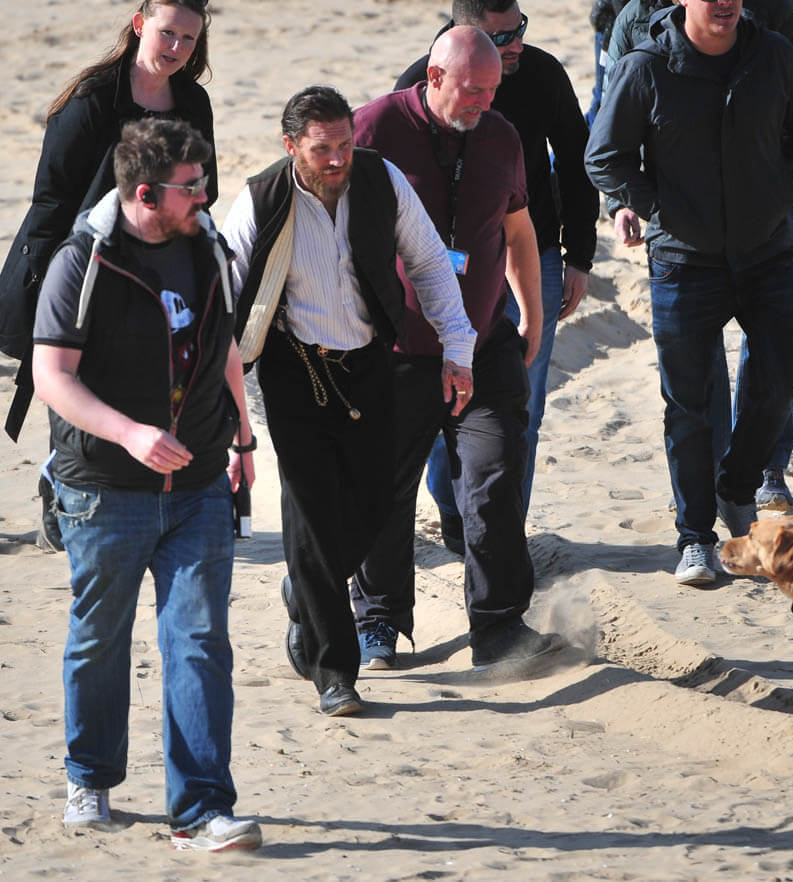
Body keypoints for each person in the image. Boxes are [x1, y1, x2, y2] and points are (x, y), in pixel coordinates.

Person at [31, 118, 259, 851]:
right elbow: (51, 376)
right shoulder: (83, 262)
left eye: (203, 181)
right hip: (104, 490)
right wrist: (129, 432)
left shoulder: (208, 247)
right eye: (191, 187)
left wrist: (242, 437)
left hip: (198, 482)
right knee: (100, 639)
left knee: (199, 641)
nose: (205, 196)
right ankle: (90, 777)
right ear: (145, 194)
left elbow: (223, 346)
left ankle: (201, 810)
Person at [221, 86, 476, 715]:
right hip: (293, 370)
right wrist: (214, 396)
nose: (338, 159)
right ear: (291, 147)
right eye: (322, 149)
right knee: (311, 515)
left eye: (345, 144)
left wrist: (457, 347)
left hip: (368, 364)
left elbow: (429, 264)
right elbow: (221, 293)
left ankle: (307, 589)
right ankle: (335, 672)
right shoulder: (261, 198)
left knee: (376, 503)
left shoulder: (382, 181)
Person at [585, 0, 793, 585]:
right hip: (683, 262)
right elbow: (605, 154)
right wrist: (653, 205)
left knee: (782, 377)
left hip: (766, 253)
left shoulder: (773, 54)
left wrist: (790, 188)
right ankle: (695, 537)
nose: (723, 2)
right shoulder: (646, 65)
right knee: (689, 406)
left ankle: (736, 487)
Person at [351, 26, 561, 671]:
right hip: (397, 350)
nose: (484, 102)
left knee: (495, 477)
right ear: (434, 77)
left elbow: (518, 231)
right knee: (384, 491)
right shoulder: (374, 128)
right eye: (473, 90)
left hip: (482, 343)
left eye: (492, 90)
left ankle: (498, 627)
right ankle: (379, 621)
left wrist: (532, 315)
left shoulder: (501, 136)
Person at [0, 0, 218, 552]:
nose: (176, 48)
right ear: (141, 24)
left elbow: (204, 188)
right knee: (78, 380)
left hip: (162, 266)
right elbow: (51, 199)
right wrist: (53, 283)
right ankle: (62, 485)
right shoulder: (92, 100)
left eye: (188, 39)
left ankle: (121, 493)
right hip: (86, 264)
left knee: (144, 383)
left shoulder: (192, 101)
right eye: (167, 33)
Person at [394, 0, 599, 548]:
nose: (516, 46)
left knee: (521, 401)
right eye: (501, 37)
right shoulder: (419, 82)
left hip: (531, 254)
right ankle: (455, 511)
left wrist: (579, 255)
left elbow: (576, 160)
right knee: (444, 398)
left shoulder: (543, 73)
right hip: (443, 270)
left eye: (519, 30)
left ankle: (504, 530)